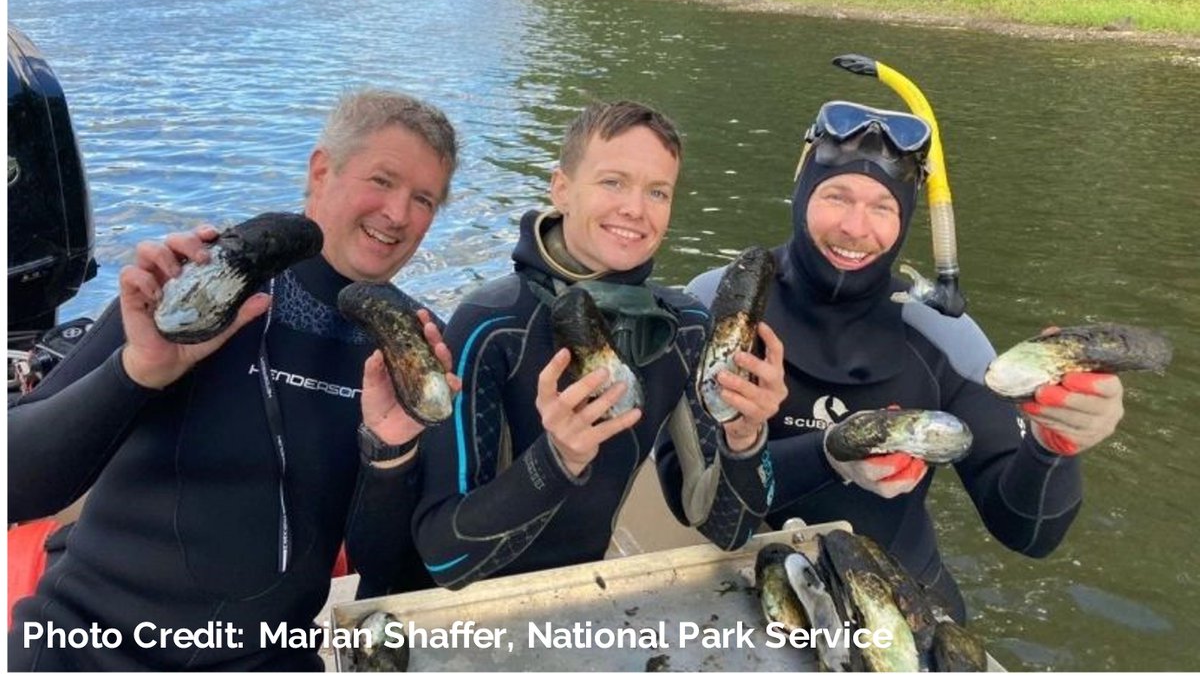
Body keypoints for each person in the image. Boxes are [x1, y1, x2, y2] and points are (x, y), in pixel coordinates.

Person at [8, 89, 459, 670]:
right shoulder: (195, 288)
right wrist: (139, 371)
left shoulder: (413, 350)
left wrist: (390, 455)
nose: (398, 213)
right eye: (382, 179)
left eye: (423, 198)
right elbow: (14, 486)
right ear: (322, 170)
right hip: (91, 640)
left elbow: (393, 574)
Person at [686, 99, 1126, 621]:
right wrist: (827, 454)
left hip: (906, 607)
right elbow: (704, 514)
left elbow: (1027, 533)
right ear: (801, 194)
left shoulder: (943, 336)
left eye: (882, 207)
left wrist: (1055, 446)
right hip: (741, 595)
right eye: (837, 196)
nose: (855, 226)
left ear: (907, 218)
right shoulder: (720, 304)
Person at [413, 100, 787, 589]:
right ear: (562, 189)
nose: (635, 209)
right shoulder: (489, 326)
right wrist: (558, 459)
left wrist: (745, 437)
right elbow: (444, 558)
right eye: (613, 182)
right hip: (463, 615)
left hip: (585, 602)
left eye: (658, 192)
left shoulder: (686, 327)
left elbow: (728, 530)